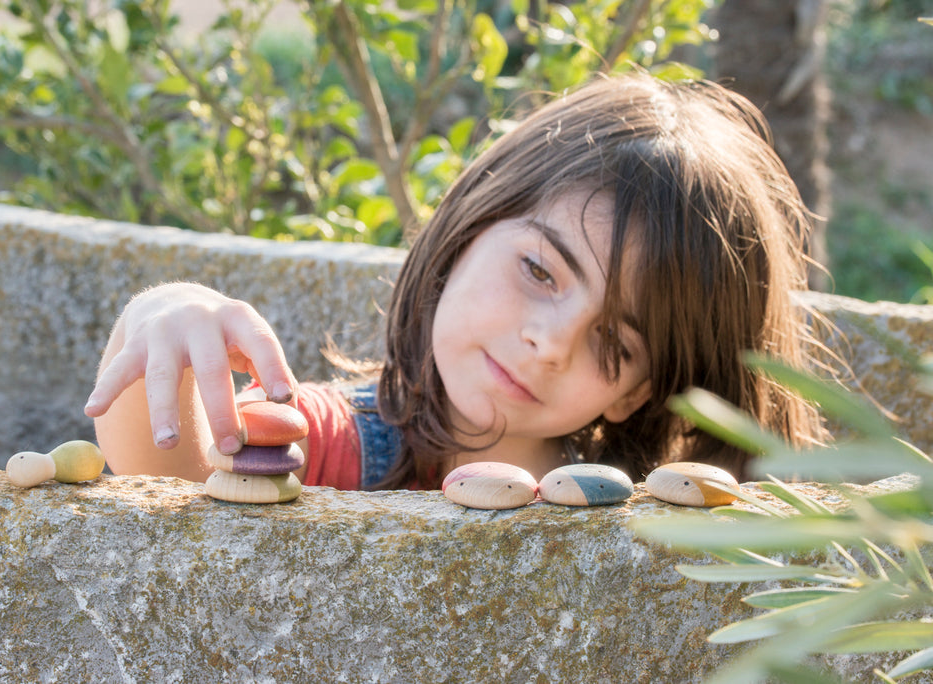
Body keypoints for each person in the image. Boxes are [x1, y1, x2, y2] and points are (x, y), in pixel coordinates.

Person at [83, 72, 828, 490]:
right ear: (468, 230)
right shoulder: (339, 442)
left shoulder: (632, 498)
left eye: (616, 343)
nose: (548, 342)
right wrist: (171, 312)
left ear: (636, 391)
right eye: (540, 269)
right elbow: (165, 466)